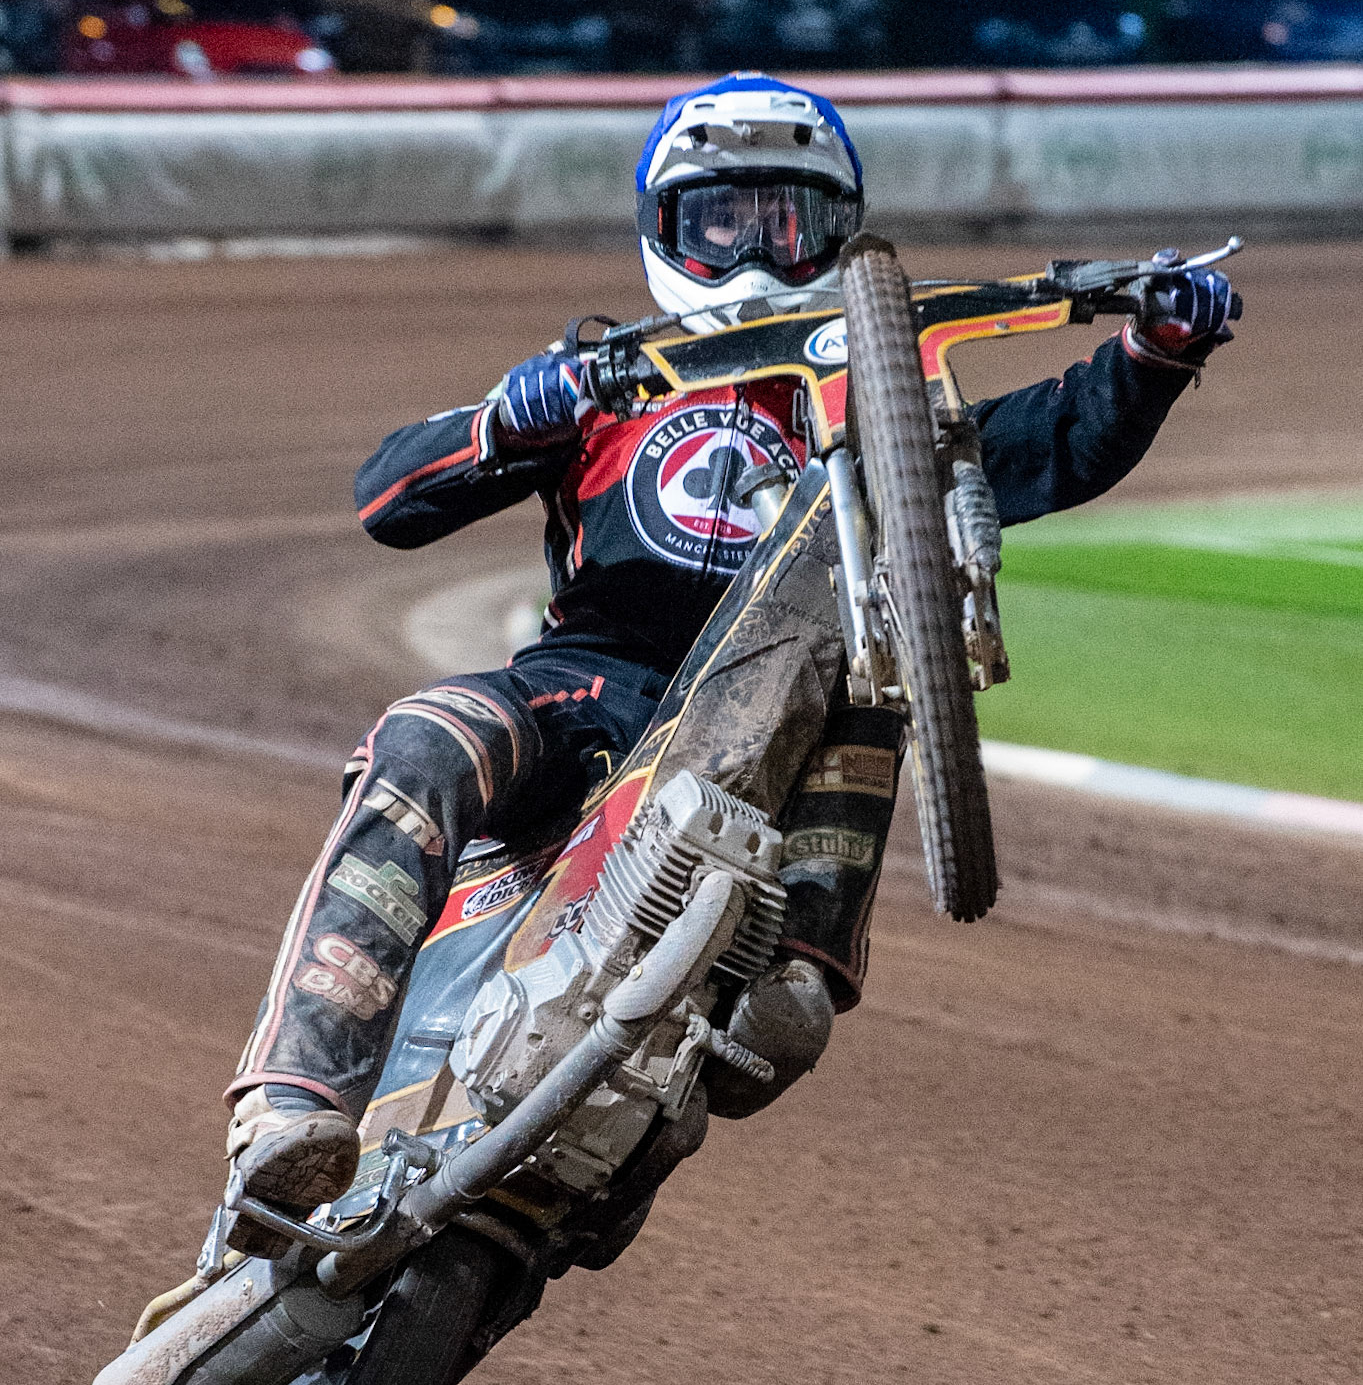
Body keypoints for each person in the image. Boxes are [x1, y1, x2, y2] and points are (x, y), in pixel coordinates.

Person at [220, 71, 1239, 1254]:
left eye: (785, 222)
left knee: (873, 671)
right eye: (721, 222)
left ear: (837, 232)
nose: (754, 253)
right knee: (425, 735)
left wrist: (1153, 353)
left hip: (773, 715)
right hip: (587, 688)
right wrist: (511, 416)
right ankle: (293, 1099)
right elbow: (388, 499)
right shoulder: (607, 375)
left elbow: (1048, 438)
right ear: (665, 230)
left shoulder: (880, 405)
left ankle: (796, 967)